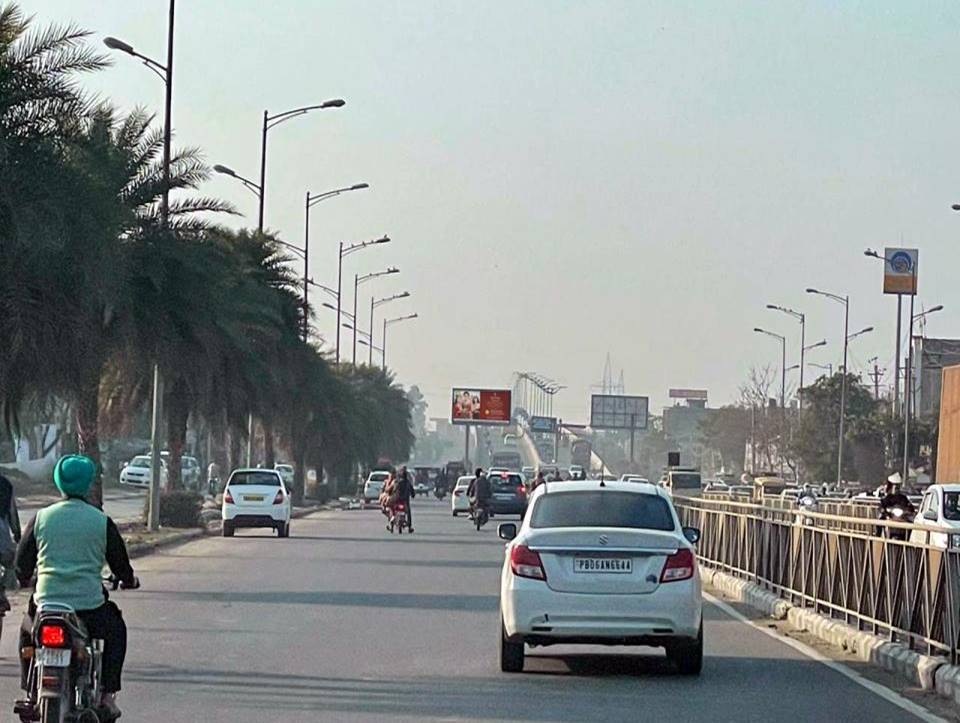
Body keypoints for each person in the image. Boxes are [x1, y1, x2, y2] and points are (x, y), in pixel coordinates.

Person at [15, 455, 138, 718]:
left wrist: (26, 578)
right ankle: (107, 696)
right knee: (116, 630)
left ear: (59, 481)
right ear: (88, 483)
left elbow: (21, 564)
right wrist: (128, 580)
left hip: (46, 605)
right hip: (89, 607)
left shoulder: (41, 518)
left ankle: (28, 691)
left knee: (27, 631)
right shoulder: (101, 521)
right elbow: (121, 565)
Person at [395, 466, 416, 532]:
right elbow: (412, 492)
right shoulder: (408, 483)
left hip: (399, 500)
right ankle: (409, 527)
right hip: (405, 501)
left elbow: (395, 490)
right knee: (408, 513)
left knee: (395, 509)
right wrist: (413, 495)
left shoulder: (399, 483)